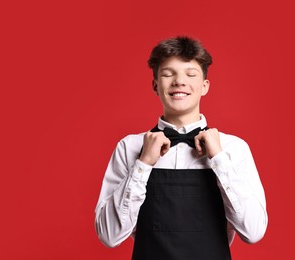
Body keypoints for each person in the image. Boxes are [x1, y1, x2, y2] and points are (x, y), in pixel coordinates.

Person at [95, 36, 268, 260]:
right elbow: (109, 236)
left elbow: (253, 232)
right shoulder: (130, 147)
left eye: (190, 74)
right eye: (168, 74)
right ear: (155, 85)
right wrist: (143, 164)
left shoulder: (234, 149)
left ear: (204, 86)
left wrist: (219, 159)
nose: (179, 81)